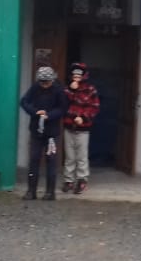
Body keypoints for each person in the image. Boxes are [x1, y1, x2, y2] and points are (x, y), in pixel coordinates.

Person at [19, 65, 68, 200]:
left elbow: (63, 108)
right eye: (42, 82)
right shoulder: (35, 88)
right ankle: (31, 191)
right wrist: (35, 112)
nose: (44, 85)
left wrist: (49, 115)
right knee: (34, 159)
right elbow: (24, 102)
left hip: (52, 131)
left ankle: (50, 192)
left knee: (51, 161)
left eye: (46, 82)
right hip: (36, 130)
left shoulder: (58, 90)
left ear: (52, 80)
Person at [61, 62, 100, 195]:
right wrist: (72, 90)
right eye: (74, 76)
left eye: (79, 76)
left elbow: (94, 107)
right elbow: (63, 104)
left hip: (83, 128)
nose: (76, 78)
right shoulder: (67, 89)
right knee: (69, 156)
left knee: (81, 156)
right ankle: (68, 180)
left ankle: (82, 180)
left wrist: (83, 117)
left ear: (84, 76)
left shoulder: (91, 89)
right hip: (68, 126)